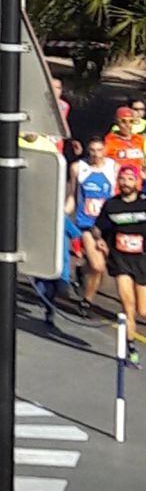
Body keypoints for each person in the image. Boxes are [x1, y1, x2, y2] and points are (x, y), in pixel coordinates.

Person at [94, 164, 146, 367]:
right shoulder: (111, 205)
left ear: (137, 182)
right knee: (128, 306)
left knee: (143, 310)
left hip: (141, 259)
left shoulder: (144, 203)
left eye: (130, 179)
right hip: (120, 259)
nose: (126, 183)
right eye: (122, 179)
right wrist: (99, 239)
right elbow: (98, 227)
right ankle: (131, 348)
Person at [66, 136, 118, 314]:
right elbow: (73, 195)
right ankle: (86, 302)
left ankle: (83, 272)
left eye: (99, 150)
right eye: (92, 151)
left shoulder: (113, 168)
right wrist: (64, 213)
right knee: (98, 266)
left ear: (104, 150)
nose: (96, 155)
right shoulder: (79, 168)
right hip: (86, 223)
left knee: (102, 267)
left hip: (107, 225)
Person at [104, 107, 146, 180]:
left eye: (131, 121)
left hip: (137, 184)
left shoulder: (139, 139)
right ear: (117, 122)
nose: (127, 125)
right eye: (123, 121)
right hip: (118, 184)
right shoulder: (109, 140)